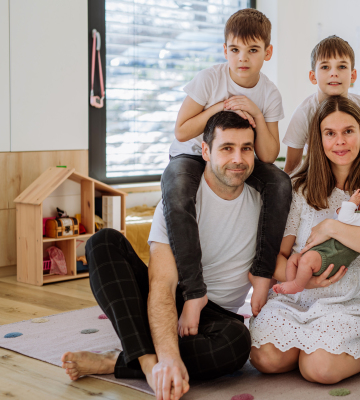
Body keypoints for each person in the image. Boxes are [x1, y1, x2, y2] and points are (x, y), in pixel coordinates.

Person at [61, 112, 265, 400]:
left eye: (246, 148)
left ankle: (120, 359)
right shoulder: (179, 200)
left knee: (236, 344)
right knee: (102, 242)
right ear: (205, 151)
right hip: (169, 297)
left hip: (216, 317)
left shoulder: (263, 203)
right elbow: (162, 283)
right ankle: (147, 365)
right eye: (227, 148)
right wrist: (168, 358)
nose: (238, 158)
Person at [250, 96, 360, 384]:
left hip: (353, 299)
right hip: (301, 295)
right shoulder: (298, 187)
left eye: (348, 131)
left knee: (318, 369)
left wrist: (333, 227)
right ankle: (313, 344)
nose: (340, 141)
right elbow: (278, 256)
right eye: (330, 133)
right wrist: (304, 280)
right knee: (266, 359)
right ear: (318, 140)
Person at [162, 8, 291, 333]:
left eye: (252, 50)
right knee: (176, 189)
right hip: (193, 156)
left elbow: (268, 154)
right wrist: (220, 106)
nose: (242, 58)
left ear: (267, 53)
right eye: (235, 50)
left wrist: (256, 115)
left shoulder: (269, 93)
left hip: (239, 156)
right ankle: (194, 292)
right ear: (225, 51)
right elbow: (181, 131)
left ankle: (261, 273)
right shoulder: (210, 79)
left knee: (279, 182)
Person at [282, 35, 360, 189]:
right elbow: (292, 166)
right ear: (313, 76)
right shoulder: (303, 114)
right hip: (319, 183)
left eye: (342, 67)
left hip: (358, 183)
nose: (334, 73)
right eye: (325, 67)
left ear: (353, 75)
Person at [273, 189, 360, 294]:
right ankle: (292, 283)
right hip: (322, 253)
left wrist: (352, 202)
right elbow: (340, 219)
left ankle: (297, 285)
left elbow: (344, 218)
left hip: (328, 256)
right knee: (294, 259)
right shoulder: (359, 219)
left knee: (305, 261)